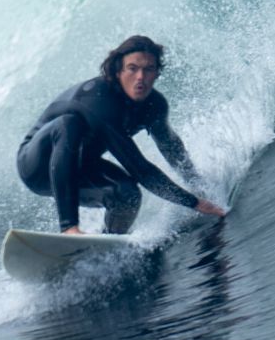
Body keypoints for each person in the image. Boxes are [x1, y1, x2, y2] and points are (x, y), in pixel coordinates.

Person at [17, 34, 228, 235]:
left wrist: (198, 186)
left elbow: (170, 147)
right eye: (132, 69)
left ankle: (105, 245)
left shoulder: (154, 106)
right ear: (118, 71)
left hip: (81, 165)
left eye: (149, 69)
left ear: (157, 73)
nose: (140, 78)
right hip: (37, 166)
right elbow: (141, 169)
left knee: (127, 193)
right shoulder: (98, 99)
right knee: (68, 124)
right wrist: (195, 203)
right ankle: (69, 228)